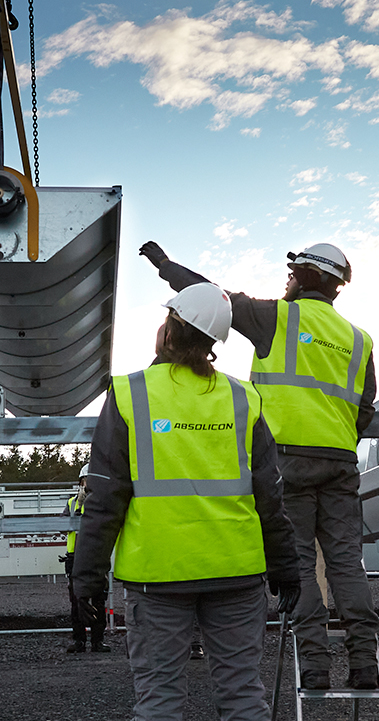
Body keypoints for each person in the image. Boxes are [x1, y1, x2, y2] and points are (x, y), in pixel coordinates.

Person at [139, 241, 379, 691]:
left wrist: (164, 265)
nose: (286, 281)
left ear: (308, 277)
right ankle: (365, 663)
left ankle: (315, 667)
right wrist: (336, 437)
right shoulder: (359, 340)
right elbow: (365, 409)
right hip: (341, 463)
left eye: (293, 273)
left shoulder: (277, 318)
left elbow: (209, 297)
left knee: (303, 566)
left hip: (288, 463)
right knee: (348, 563)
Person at [72, 282, 301, 721]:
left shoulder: (130, 394)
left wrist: (88, 579)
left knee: (160, 702)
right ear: (213, 342)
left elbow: (105, 497)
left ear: (170, 331)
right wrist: (286, 567)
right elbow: (270, 495)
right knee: (242, 698)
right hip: (237, 572)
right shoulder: (242, 398)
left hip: (157, 577)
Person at [62, 463, 109, 653]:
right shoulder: (72, 503)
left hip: (97, 556)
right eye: (86, 480)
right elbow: (64, 525)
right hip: (75, 557)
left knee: (99, 600)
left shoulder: (102, 503)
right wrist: (79, 506)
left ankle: (97, 641)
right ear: (80, 482)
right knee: (76, 602)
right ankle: (79, 641)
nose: (88, 484)